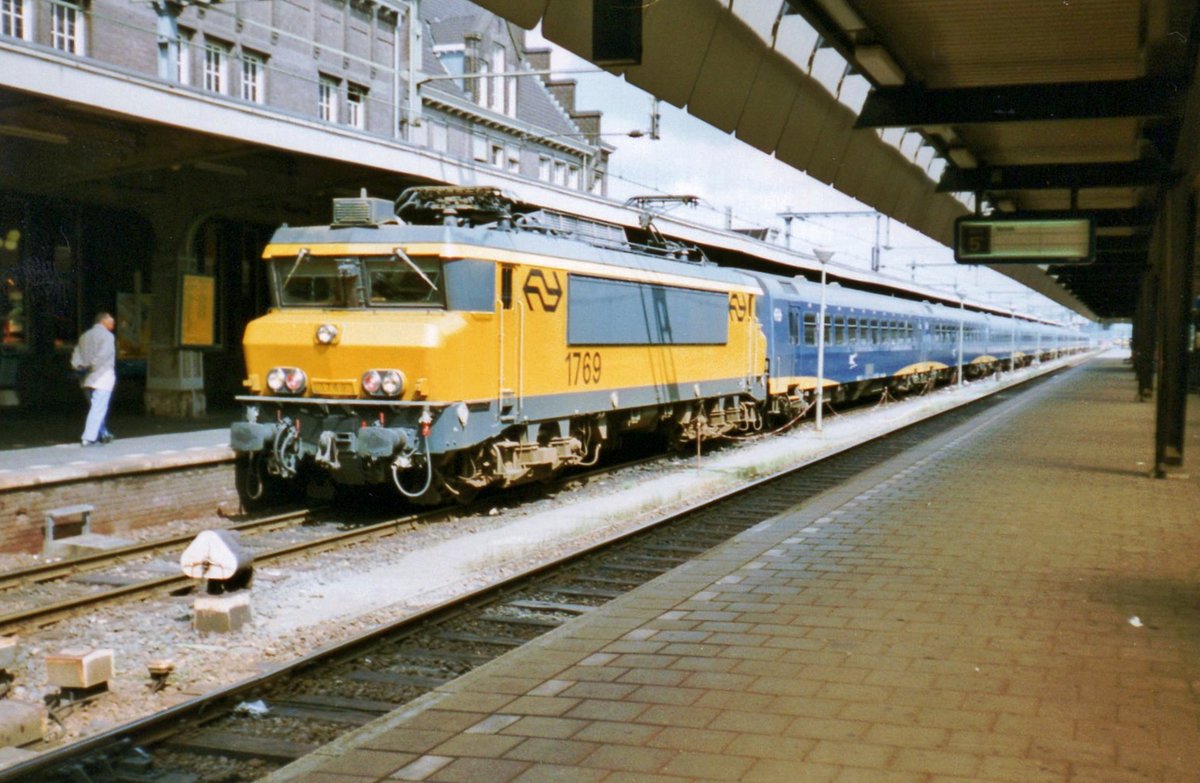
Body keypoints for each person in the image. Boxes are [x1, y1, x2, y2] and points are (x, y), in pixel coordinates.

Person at [71, 311, 116, 446]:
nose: (113, 324)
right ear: (103, 321)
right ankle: (88, 438)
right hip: (102, 376)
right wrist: (91, 366)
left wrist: (80, 366)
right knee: (98, 408)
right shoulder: (108, 336)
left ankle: (104, 433)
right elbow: (103, 356)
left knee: (95, 407)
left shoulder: (84, 336)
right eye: (111, 322)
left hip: (85, 378)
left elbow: (76, 354)